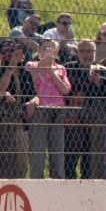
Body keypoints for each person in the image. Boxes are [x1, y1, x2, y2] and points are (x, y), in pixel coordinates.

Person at [65, 40, 106, 179]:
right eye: (83, 51)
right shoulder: (68, 69)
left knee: (91, 168)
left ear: (95, 53)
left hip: (94, 128)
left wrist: (101, 82)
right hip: (72, 126)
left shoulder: (102, 71)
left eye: (90, 51)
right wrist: (71, 99)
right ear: (77, 53)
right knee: (68, 165)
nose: (87, 55)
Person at [25, 39, 70, 178]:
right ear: (39, 51)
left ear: (56, 53)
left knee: (57, 150)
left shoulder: (61, 68)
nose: (48, 50)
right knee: (38, 151)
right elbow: (33, 80)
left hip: (57, 110)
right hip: (40, 110)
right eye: (45, 48)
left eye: (52, 48)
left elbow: (65, 89)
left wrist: (50, 70)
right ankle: (36, 180)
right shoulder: (31, 65)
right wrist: (43, 64)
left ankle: (57, 179)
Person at [0, 39, 37, 178]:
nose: (9, 54)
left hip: (21, 125)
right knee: (4, 164)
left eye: (12, 51)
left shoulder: (25, 74)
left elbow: (37, 94)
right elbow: (1, 89)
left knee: (21, 166)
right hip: (3, 124)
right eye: (5, 52)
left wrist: (34, 102)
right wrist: (11, 67)